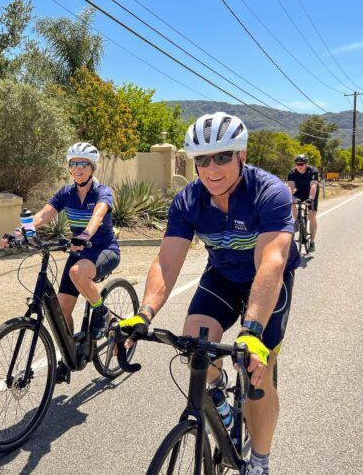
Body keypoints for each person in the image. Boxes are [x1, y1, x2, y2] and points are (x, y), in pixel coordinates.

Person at [119, 112, 299, 475]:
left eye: (222, 157)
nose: (211, 168)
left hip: (265, 283)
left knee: (256, 378)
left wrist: (252, 334)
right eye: (202, 159)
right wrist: (145, 313)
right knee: (192, 342)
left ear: (241, 156)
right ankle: (217, 393)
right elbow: (167, 263)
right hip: (222, 276)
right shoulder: (188, 200)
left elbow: (271, 262)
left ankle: (260, 464)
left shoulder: (269, 192)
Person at [0, 142, 120, 344]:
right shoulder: (66, 193)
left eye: (83, 164)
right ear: (69, 167)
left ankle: (101, 312)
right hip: (78, 251)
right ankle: (70, 354)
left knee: (76, 272)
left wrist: (85, 234)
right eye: (74, 164)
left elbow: (98, 215)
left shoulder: (102, 192)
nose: (78, 169)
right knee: (62, 307)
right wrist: (19, 233)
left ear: (92, 168)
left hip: (104, 249)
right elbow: (43, 216)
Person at [287, 154, 319, 252]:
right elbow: (290, 187)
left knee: (311, 215)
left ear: (306, 164)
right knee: (290, 201)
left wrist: (310, 199)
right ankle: (297, 221)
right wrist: (289, 197)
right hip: (300, 192)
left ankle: (312, 242)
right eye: (297, 164)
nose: (299, 166)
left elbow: (313, 186)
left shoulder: (313, 171)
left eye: (302, 164)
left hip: (311, 193)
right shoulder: (292, 172)